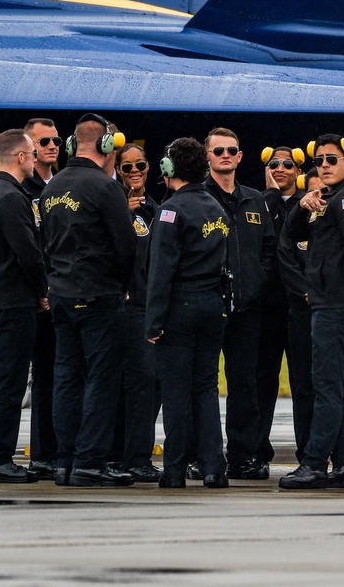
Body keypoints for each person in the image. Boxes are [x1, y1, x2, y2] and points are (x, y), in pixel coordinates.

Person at [279, 134, 344, 490]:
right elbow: (290, 235)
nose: (324, 165)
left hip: (340, 306)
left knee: (327, 387)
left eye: (331, 159)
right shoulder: (329, 197)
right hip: (339, 303)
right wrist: (302, 205)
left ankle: (313, 464)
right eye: (320, 160)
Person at [39, 113, 136, 487]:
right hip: (97, 294)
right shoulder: (105, 187)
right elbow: (126, 246)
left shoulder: (51, 187)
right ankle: (90, 462)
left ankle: (64, 461)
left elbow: (45, 246)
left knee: (67, 376)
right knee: (101, 378)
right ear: (107, 145)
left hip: (61, 293)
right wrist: (122, 284)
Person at [146, 137, 231, 489]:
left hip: (181, 306)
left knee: (176, 392)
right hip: (213, 305)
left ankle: (175, 469)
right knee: (206, 389)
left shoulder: (171, 211)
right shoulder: (217, 208)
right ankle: (214, 467)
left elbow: (160, 272)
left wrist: (153, 321)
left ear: (169, 169)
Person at [0, 129, 47, 484]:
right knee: (8, 384)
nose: (35, 160)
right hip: (12, 301)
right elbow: (29, 255)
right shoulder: (12, 198)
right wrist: (43, 290)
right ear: (20, 157)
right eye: (33, 154)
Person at [202, 127, 276, 481]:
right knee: (201, 383)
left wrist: (257, 281)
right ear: (208, 157)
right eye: (219, 151)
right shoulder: (197, 197)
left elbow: (268, 248)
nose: (226, 156)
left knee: (244, 383)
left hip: (247, 308)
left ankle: (244, 456)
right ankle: (199, 454)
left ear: (241, 156)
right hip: (206, 306)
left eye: (232, 150)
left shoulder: (255, 199)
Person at [108, 143, 162, 482]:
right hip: (124, 306)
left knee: (151, 383)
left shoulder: (156, 208)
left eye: (140, 164)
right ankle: (127, 456)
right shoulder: (112, 206)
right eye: (127, 167)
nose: (135, 172)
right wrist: (122, 214)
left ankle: (135, 453)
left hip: (150, 307)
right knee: (132, 383)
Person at [257, 146, 306, 470]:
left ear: (299, 171)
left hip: (301, 305)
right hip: (266, 307)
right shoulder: (258, 203)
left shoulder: (310, 204)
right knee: (261, 381)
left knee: (305, 383)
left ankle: (309, 453)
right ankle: (256, 450)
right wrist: (272, 195)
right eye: (274, 164)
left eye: (287, 164)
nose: (280, 168)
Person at [21, 117, 60, 480]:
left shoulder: (62, 186)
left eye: (55, 141)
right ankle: (43, 454)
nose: (51, 146)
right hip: (41, 299)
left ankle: (64, 449)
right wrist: (41, 290)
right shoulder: (24, 189)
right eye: (43, 141)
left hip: (64, 293)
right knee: (45, 376)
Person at [277, 168, 322, 462]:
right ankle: (306, 449)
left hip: (332, 310)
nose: (318, 199)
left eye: (324, 194)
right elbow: (284, 256)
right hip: (301, 310)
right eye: (313, 193)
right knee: (303, 385)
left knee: (331, 386)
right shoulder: (296, 220)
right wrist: (306, 291)